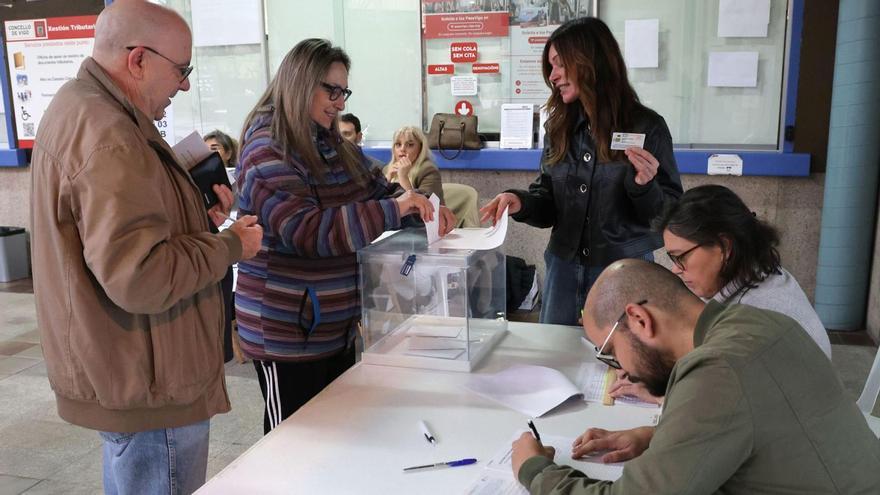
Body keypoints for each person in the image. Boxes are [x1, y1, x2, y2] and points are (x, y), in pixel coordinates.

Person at [29, 1, 263, 493]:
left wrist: (194, 217)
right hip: (151, 386)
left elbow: (115, 240)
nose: (183, 84)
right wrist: (229, 246)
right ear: (137, 60)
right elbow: (140, 276)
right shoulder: (111, 134)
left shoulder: (83, 107)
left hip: (131, 372)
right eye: (181, 69)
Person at [235, 38, 454, 434]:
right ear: (299, 83)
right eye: (330, 90)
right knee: (292, 443)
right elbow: (308, 230)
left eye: (344, 91)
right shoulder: (267, 149)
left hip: (332, 326)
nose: (339, 102)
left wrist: (422, 207)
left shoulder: (333, 144)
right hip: (287, 333)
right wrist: (395, 209)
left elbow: (378, 190)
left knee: (335, 437)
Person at [511, 259, 880, 494]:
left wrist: (535, 469)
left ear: (640, 319)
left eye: (610, 350)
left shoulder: (718, 372)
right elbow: (762, 419)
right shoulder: (758, 322)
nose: (620, 368)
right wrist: (661, 438)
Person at [479, 17, 682, 325]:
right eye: (551, 66)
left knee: (617, 365)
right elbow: (547, 199)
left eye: (560, 64)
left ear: (591, 62)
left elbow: (670, 215)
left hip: (623, 274)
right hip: (563, 269)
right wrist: (519, 201)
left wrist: (644, 187)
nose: (553, 75)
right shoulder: (559, 127)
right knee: (554, 357)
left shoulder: (647, 127)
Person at [609, 184, 833, 404]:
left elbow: (726, 406)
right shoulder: (761, 275)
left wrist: (659, 395)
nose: (676, 268)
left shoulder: (754, 317)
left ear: (724, 247)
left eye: (681, 257)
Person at [383, 125, 445, 203]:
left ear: (420, 148)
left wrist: (403, 177)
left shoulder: (428, 170)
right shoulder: (387, 169)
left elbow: (425, 206)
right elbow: (376, 205)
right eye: (398, 144)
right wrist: (386, 180)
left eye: (410, 145)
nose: (402, 149)